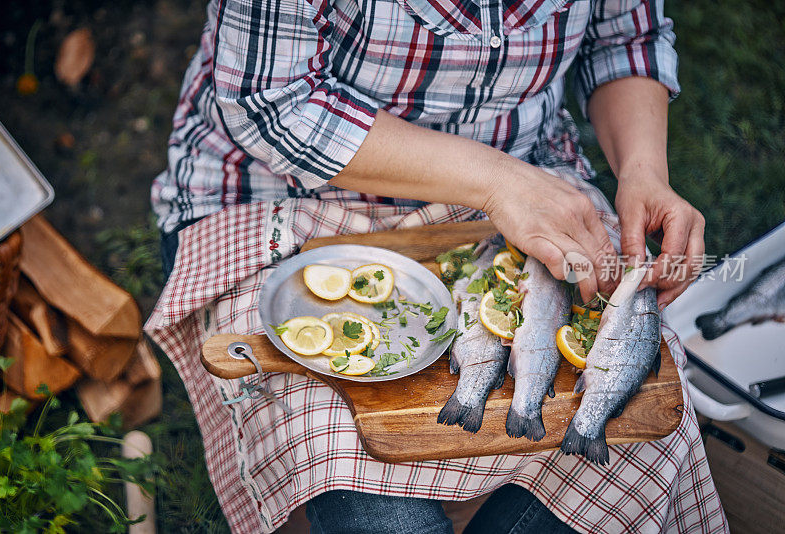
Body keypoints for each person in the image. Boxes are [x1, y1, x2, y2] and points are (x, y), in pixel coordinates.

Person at [146, 0, 727, 532]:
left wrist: (643, 170)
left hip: (529, 177)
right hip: (287, 194)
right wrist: (498, 183)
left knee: (636, 449)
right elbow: (272, 102)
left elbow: (623, 35)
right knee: (389, 523)